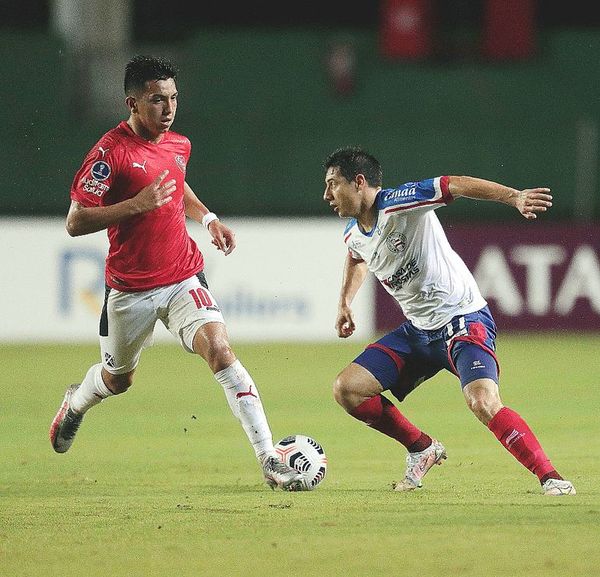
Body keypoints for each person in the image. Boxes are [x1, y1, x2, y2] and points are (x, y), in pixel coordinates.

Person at [49, 55, 303, 491]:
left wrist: (208, 219)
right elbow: (75, 221)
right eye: (156, 100)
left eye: (173, 99)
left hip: (184, 276)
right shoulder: (109, 154)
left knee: (220, 350)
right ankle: (76, 402)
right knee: (118, 380)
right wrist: (136, 205)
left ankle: (268, 458)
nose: (168, 109)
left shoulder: (177, 144)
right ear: (131, 102)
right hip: (129, 290)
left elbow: (175, 182)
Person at [322, 146, 575, 496]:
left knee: (483, 401)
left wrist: (514, 197)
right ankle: (421, 447)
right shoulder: (353, 233)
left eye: (333, 184)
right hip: (417, 332)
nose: (327, 194)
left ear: (359, 182)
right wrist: (344, 303)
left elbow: (453, 184)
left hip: (462, 319)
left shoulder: (399, 203)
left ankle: (552, 478)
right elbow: (356, 258)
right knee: (347, 389)